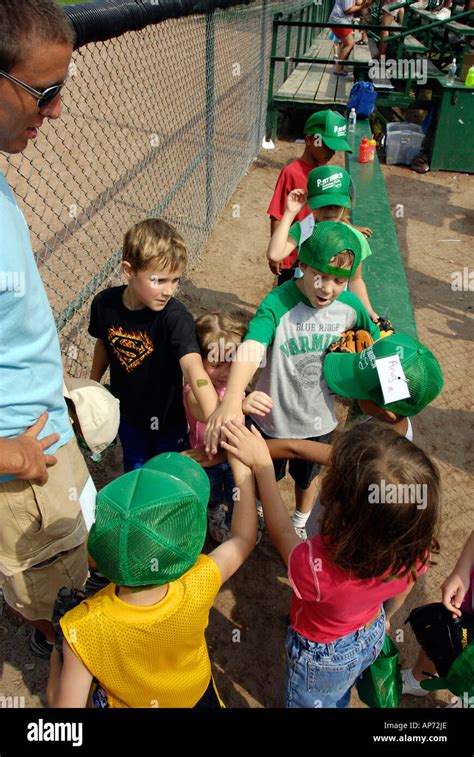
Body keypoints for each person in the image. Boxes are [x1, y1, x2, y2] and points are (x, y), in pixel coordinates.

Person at [220, 419, 441, 708]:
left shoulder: (316, 568)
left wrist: (262, 466)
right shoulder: (413, 548)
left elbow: (283, 533)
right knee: (337, 692)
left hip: (322, 656)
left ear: (338, 509)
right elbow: (403, 589)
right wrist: (386, 616)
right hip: (370, 629)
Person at [0, 0, 90, 659]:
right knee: (68, 604)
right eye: (45, 91)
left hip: (41, 431)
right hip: (23, 461)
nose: (57, 111)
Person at [204, 222, 380, 538]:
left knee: (308, 480)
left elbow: (375, 340)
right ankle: (257, 511)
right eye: (320, 276)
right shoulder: (278, 302)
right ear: (302, 267)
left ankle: (299, 521)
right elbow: (253, 344)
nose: (328, 287)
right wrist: (231, 399)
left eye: (339, 280)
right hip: (270, 418)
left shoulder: (350, 307)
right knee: (260, 474)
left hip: (318, 421)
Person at [46, 452, 257, 708]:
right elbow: (242, 539)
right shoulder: (198, 582)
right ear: (187, 547)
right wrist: (242, 468)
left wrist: (59, 651)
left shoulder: (82, 629)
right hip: (197, 697)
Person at [89, 218, 218, 473]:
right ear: (129, 270)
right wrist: (93, 384)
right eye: (159, 280)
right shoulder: (104, 305)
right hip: (127, 416)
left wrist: (215, 416)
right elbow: (104, 342)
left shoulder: (174, 318)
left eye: (176, 280)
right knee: (136, 472)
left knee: (165, 478)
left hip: (168, 422)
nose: (169, 290)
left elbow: (193, 368)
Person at [183, 310, 272, 542]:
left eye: (232, 362)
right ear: (199, 360)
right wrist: (241, 405)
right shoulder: (194, 391)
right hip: (208, 460)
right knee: (211, 495)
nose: (226, 372)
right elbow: (206, 413)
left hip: (235, 455)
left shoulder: (236, 385)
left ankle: (236, 523)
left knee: (239, 494)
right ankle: (213, 514)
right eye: (216, 364)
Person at [267, 165, 377, 319]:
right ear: (311, 201)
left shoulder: (354, 237)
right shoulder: (305, 227)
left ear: (346, 204)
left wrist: (368, 311)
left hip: (334, 309)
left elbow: (355, 280)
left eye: (336, 206)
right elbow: (275, 254)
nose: (330, 211)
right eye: (324, 204)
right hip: (300, 307)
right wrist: (289, 213)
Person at [267, 110, 352, 284]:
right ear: (309, 140)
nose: (332, 152)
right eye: (327, 146)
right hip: (292, 254)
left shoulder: (328, 172)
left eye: (334, 148)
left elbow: (335, 211)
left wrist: (352, 228)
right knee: (288, 296)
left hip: (318, 251)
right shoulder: (291, 172)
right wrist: (276, 255)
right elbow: (277, 215)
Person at [402, 530, 474, 698]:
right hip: (469, 596)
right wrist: (462, 570)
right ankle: (418, 680)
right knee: (445, 634)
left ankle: (465, 700)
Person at [328, 0, 369, 74]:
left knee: (348, 44)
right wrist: (361, 6)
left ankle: (341, 65)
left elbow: (358, 2)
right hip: (339, 20)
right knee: (349, 44)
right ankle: (338, 68)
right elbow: (347, 10)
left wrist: (361, 4)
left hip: (342, 20)